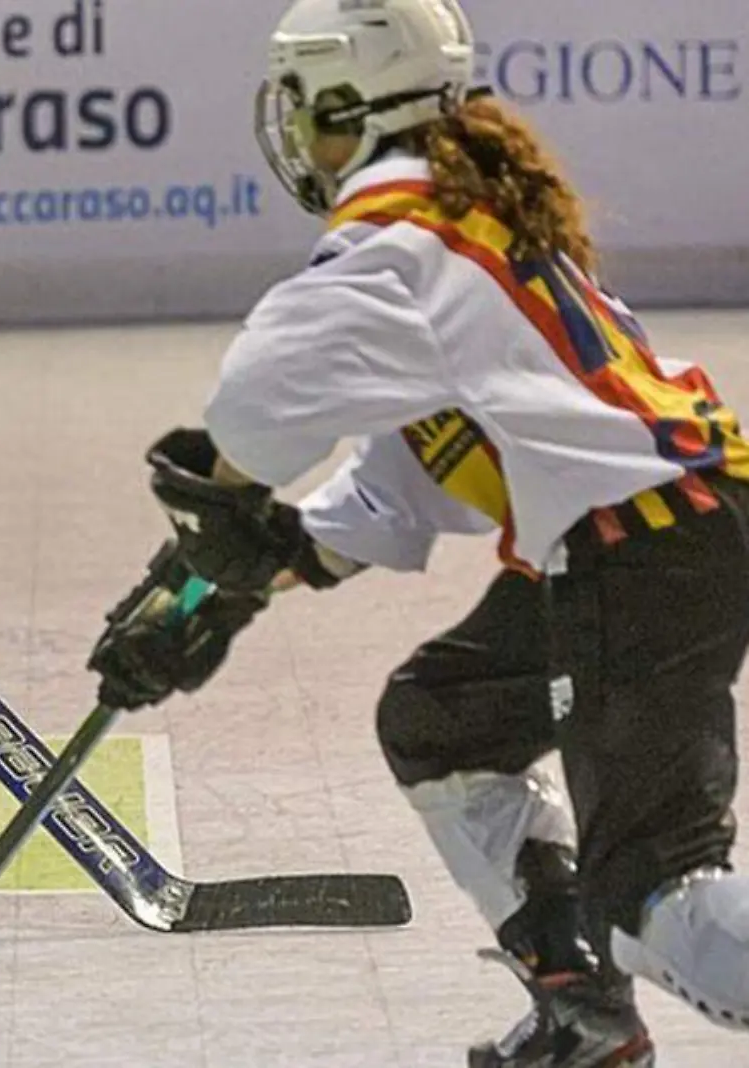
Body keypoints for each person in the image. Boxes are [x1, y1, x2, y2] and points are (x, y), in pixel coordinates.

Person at [86, 1, 749, 1064]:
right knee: (442, 723)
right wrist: (243, 578)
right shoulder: (459, 214)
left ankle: (605, 960)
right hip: (657, 531)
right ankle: (582, 1007)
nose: (294, 134)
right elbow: (404, 478)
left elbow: (257, 407)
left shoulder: (399, 228)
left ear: (346, 107)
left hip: (644, 549)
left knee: (653, 900)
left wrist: (212, 542)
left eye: (304, 107)